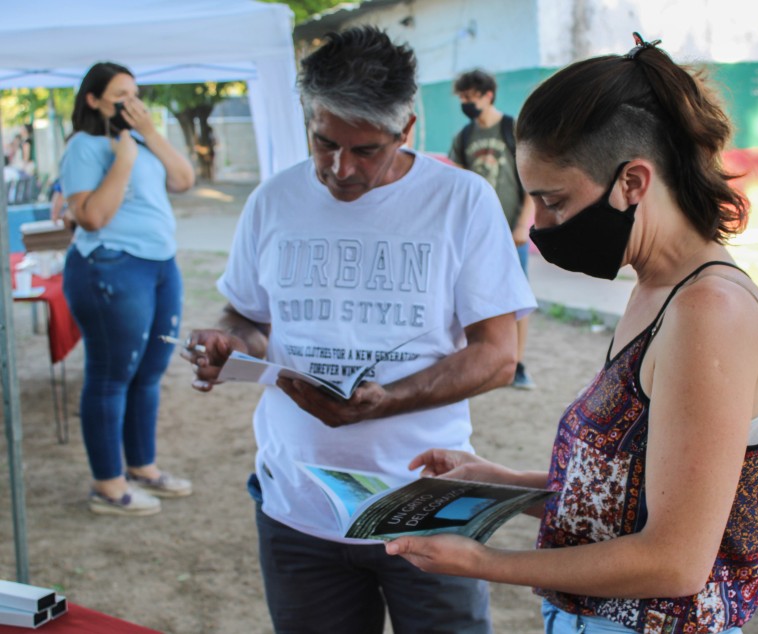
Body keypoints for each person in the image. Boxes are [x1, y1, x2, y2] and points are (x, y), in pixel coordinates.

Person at [385, 34, 758, 634]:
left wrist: (485, 562)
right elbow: (641, 491)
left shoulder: (708, 313)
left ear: (632, 183)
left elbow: (674, 560)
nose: (540, 224)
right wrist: (499, 482)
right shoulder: (659, 287)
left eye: (553, 200)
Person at [181, 26, 535, 634]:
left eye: (365, 150)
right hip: (296, 509)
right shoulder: (273, 201)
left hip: (424, 507)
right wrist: (233, 345)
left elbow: (499, 356)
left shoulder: (462, 202)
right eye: (324, 143)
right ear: (309, 119)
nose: (339, 169)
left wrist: (389, 402)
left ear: (407, 130)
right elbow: (250, 318)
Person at [59, 62, 196, 516]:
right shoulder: (84, 146)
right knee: (111, 373)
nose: (131, 104)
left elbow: (183, 180)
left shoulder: (140, 140)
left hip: (159, 265)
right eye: (121, 95)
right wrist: (124, 160)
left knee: (150, 370)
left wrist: (148, 135)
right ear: (94, 99)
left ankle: (142, 467)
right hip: (111, 267)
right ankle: (107, 484)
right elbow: (91, 217)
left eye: (135, 94)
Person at [449, 69, 537, 389]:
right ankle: (481, 358)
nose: (466, 103)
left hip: (511, 231)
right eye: (462, 98)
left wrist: (522, 224)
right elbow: (458, 182)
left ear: (487, 96)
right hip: (476, 233)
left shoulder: (511, 129)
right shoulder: (464, 137)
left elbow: (530, 179)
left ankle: (518, 363)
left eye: (470, 97)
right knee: (474, 295)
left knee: (517, 298)